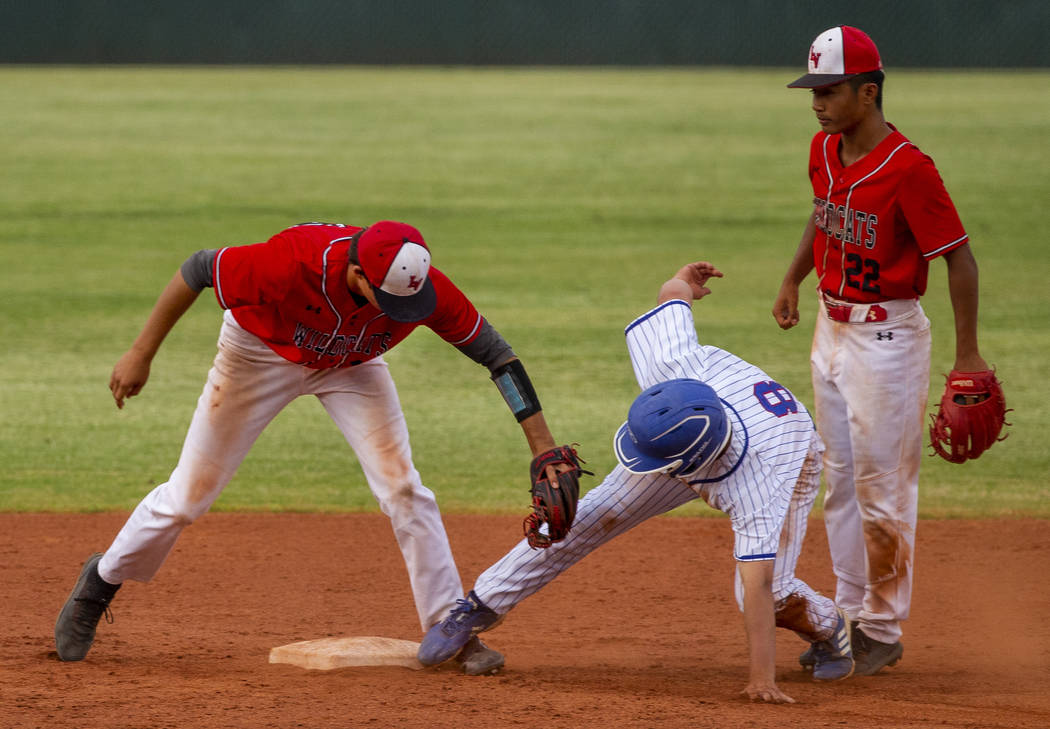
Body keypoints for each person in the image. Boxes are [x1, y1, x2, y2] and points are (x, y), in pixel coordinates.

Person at [54, 220, 570, 675]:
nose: (406, 312)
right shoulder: (290, 262)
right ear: (358, 274)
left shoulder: (420, 286)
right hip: (257, 355)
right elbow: (196, 269)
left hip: (352, 368)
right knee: (189, 497)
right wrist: (141, 352)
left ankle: (449, 629)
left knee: (404, 488)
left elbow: (498, 357)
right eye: (392, 303)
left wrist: (542, 446)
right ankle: (101, 580)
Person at [417, 261, 854, 704]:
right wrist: (687, 280)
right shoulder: (668, 367)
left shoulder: (761, 483)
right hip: (698, 427)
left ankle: (829, 626)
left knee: (769, 592)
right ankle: (479, 606)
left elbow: (758, 583)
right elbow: (672, 295)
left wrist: (762, 679)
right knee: (596, 511)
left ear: (688, 463)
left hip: (790, 452)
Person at [772, 26, 991, 676]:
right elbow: (823, 214)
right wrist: (793, 276)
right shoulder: (823, 149)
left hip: (887, 340)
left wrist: (969, 355)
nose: (818, 101)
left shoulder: (909, 168)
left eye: (830, 89)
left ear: (868, 92)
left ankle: (883, 627)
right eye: (813, 89)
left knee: (883, 491)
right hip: (829, 331)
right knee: (838, 482)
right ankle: (847, 613)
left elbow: (959, 258)